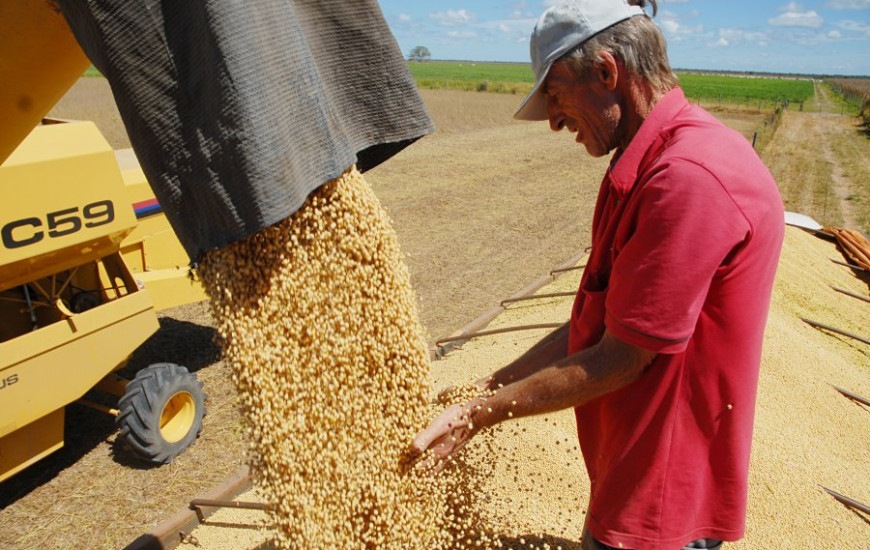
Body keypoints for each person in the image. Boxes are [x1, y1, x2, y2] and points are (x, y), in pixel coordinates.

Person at [411, 1, 784, 549]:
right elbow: (599, 323)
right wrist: (487, 385)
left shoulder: (687, 179)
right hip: (633, 470)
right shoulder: (644, 164)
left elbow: (622, 357)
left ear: (607, 72)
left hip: (661, 500)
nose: (555, 121)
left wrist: (478, 414)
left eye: (557, 96)